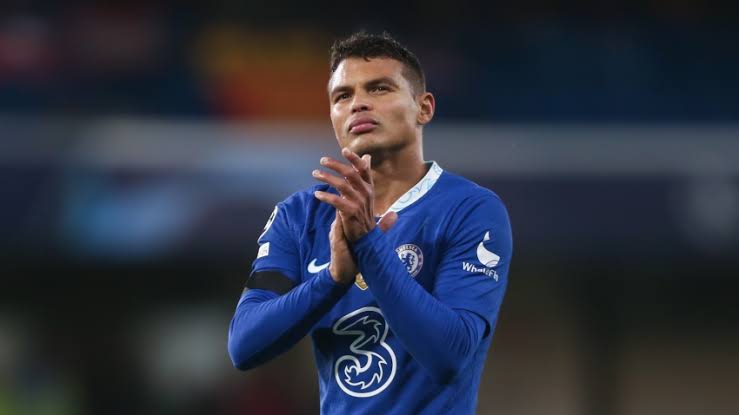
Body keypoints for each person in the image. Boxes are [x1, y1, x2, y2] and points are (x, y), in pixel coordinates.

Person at [228, 31, 512, 414]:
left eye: (379, 88)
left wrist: (367, 245)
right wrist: (333, 280)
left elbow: (450, 355)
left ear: (424, 108)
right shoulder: (298, 216)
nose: (358, 103)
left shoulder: (469, 208)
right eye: (342, 96)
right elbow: (244, 344)